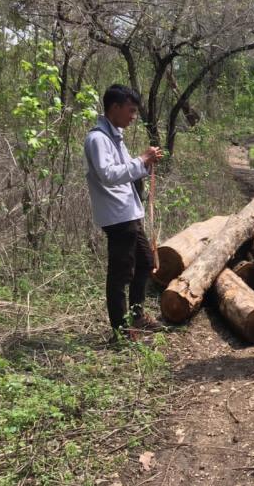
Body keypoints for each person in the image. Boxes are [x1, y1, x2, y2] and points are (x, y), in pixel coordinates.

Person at [84, 84, 163, 341]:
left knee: (145, 263)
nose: (133, 116)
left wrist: (145, 164)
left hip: (129, 212)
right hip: (116, 215)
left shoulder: (114, 136)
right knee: (120, 274)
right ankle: (120, 332)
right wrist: (141, 160)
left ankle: (137, 315)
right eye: (130, 111)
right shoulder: (98, 139)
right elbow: (107, 175)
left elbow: (126, 171)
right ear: (114, 107)